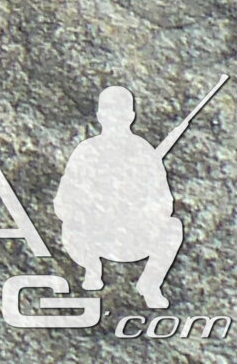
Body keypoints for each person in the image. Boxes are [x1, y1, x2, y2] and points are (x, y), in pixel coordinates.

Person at [59, 87, 187, 307]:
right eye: (108, 110)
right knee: (70, 225)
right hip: (95, 235)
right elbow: (64, 199)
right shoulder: (86, 151)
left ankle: (150, 284)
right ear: (99, 115)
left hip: (134, 235)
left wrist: (138, 207)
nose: (114, 116)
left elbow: (164, 201)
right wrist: (94, 206)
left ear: (131, 116)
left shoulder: (144, 152)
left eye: (120, 111)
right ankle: (92, 269)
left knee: (173, 227)